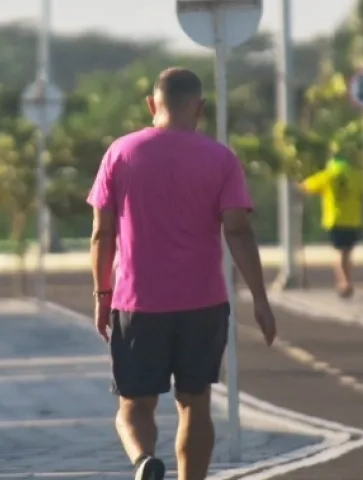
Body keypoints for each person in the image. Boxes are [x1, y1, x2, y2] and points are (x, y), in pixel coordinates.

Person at [87, 67, 277, 480]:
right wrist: (260, 300)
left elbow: (102, 234)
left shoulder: (120, 153)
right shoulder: (221, 159)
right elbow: (239, 231)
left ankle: (144, 463)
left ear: (151, 104)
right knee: (195, 402)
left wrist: (102, 295)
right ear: (200, 107)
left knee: (133, 408)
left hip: (137, 301)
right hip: (203, 302)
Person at [299, 157, 363, 298]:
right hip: (353, 220)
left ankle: (344, 282)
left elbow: (306, 186)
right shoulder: (356, 175)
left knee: (339, 252)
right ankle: (346, 280)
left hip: (335, 219)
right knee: (347, 253)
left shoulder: (328, 175)